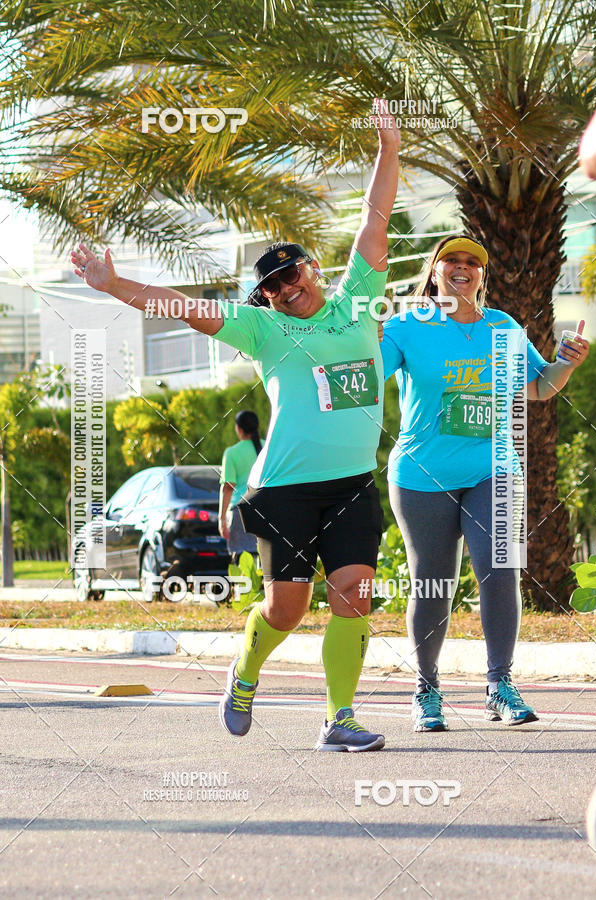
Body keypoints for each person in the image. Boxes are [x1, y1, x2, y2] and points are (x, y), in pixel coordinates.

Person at [71, 101, 400, 751]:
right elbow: (185, 307)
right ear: (268, 296)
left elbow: (374, 218)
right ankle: (245, 670)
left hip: (354, 484)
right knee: (287, 609)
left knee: (354, 595)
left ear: (313, 270)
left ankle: (339, 718)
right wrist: (113, 286)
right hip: (285, 490)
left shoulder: (359, 299)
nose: (286, 286)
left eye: (292, 272)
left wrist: (388, 148)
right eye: (273, 283)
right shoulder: (264, 328)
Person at [380, 235, 589, 732]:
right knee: (434, 583)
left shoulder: (503, 327)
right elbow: (368, 377)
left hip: (492, 466)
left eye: (472, 262)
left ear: (481, 276)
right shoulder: (407, 326)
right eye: (451, 259)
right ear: (434, 272)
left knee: (500, 570)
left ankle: (499, 684)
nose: (462, 267)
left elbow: (539, 387)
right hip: (422, 474)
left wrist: (570, 362)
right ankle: (426, 690)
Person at [219, 410, 262, 563]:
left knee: (241, 561)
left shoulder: (231, 453)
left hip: (240, 513)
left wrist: (222, 518)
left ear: (239, 429)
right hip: (267, 510)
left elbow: (228, 487)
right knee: (265, 561)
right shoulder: (268, 449)